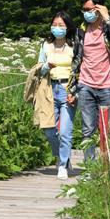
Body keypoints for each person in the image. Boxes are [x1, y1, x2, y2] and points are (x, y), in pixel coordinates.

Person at [67, 0, 110, 161]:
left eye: (90, 9)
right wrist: (72, 88)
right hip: (85, 86)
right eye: (84, 10)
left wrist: (107, 18)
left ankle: (104, 168)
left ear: (99, 8)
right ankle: (89, 168)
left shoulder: (109, 28)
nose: (87, 13)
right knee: (87, 130)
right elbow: (76, 61)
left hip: (108, 86)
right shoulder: (81, 30)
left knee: (105, 131)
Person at [37, 11, 77, 179]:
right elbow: (38, 68)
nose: (57, 28)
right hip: (49, 89)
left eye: (61, 25)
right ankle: (62, 156)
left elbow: (79, 68)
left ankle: (62, 165)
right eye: (54, 25)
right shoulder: (45, 45)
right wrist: (47, 66)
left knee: (65, 131)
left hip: (68, 89)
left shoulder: (74, 45)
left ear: (67, 27)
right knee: (48, 130)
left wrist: (75, 91)